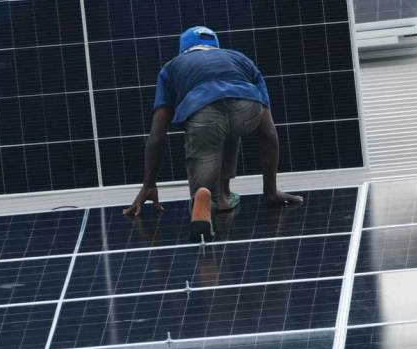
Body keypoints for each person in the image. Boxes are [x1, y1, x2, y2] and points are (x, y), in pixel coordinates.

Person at [124, 27, 303, 240]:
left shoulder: (173, 67)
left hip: (204, 112)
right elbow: (269, 133)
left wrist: (149, 184)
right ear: (216, 46)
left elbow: (157, 135)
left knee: (207, 142)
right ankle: (224, 197)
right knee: (227, 126)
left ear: (184, 50)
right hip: (248, 109)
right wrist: (271, 190)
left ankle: (204, 199)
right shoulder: (239, 58)